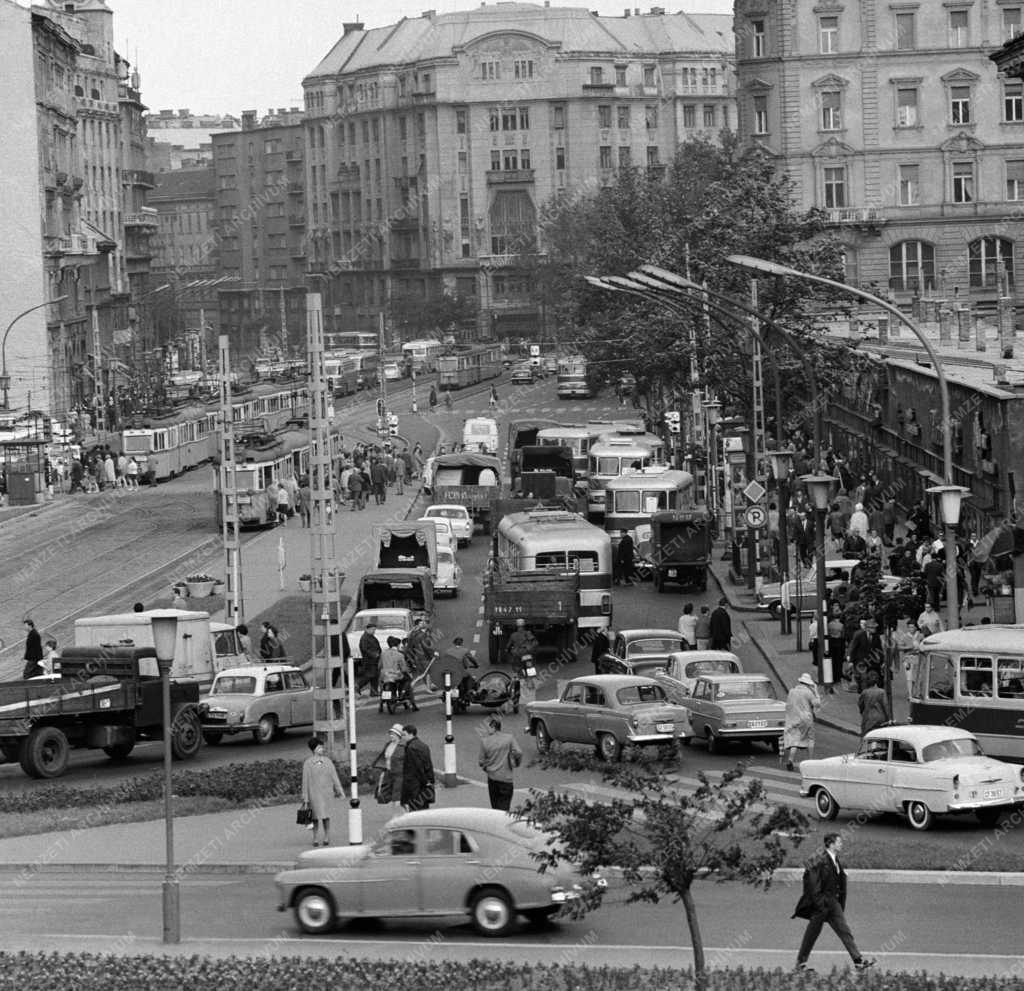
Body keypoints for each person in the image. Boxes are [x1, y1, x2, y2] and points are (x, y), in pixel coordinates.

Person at [792, 833, 876, 973]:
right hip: (822, 904)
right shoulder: (818, 860)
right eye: (838, 842)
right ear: (831, 844)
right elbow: (813, 885)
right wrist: (820, 903)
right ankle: (800, 964)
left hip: (833, 903)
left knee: (845, 931)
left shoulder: (835, 859)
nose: (841, 844)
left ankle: (858, 961)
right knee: (811, 935)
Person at [301, 736, 343, 847]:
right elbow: (304, 781)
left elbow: (334, 777)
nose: (322, 749)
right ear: (314, 749)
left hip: (326, 794)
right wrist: (305, 798)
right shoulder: (308, 763)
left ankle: (326, 836)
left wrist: (340, 790)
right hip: (313, 795)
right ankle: (315, 838)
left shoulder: (328, 762)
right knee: (314, 817)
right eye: (319, 747)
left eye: (322, 747)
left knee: (326, 816)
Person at [478, 715, 523, 812]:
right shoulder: (509, 738)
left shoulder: (485, 741)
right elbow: (518, 752)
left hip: (492, 779)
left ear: (492, 727)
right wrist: (516, 763)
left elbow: (481, 762)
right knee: (505, 807)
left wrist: (487, 767)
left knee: (495, 808)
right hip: (506, 779)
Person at [783, 672, 821, 772]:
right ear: (808, 683)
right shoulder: (808, 692)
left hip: (793, 718)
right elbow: (817, 704)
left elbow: (788, 705)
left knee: (795, 740)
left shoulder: (792, 691)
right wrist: (816, 691)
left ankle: (790, 760)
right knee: (810, 739)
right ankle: (810, 761)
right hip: (806, 718)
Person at [400, 724, 435, 811]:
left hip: (414, 783)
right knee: (424, 806)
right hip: (425, 782)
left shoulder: (411, 748)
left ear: (411, 734)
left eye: (404, 735)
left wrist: (423, 780)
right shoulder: (424, 746)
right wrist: (429, 780)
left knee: (415, 807)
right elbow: (428, 764)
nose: (402, 737)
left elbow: (416, 766)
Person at [371, 724, 407, 808]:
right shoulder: (388, 744)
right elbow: (383, 757)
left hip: (399, 775)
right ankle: (407, 810)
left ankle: (398, 815)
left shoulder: (403, 747)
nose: (391, 736)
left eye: (393, 734)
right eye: (390, 734)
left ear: (398, 735)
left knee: (396, 796)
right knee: (385, 794)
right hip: (388, 773)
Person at [379, 636, 411, 713]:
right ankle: (402, 694)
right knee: (407, 679)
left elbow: (379, 665)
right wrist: (407, 670)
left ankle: (381, 702)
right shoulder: (400, 655)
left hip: (384, 676)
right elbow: (403, 669)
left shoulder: (383, 654)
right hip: (395, 675)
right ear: (397, 645)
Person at [858, 671, 891, 736]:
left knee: (866, 737)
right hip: (881, 719)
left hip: (868, 719)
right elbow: (886, 706)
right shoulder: (882, 692)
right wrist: (889, 719)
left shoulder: (865, 692)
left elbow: (860, 705)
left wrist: (862, 712)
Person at [357, 622, 382, 696]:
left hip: (374, 660)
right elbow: (365, 649)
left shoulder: (370, 636)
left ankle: (374, 692)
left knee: (375, 676)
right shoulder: (365, 638)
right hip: (369, 661)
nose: (374, 631)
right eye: (373, 629)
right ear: (367, 629)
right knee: (370, 675)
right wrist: (374, 654)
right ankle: (358, 685)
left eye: (374, 629)